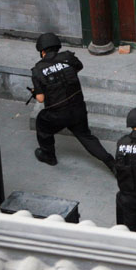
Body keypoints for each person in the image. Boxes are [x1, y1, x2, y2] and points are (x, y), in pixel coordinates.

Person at [31, 32, 115, 170]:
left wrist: (35, 92)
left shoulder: (38, 70)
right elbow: (78, 67)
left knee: (42, 123)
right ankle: (111, 163)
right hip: (78, 109)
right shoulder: (68, 58)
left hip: (57, 114)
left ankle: (49, 156)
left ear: (42, 51)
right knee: (86, 137)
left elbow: (40, 99)